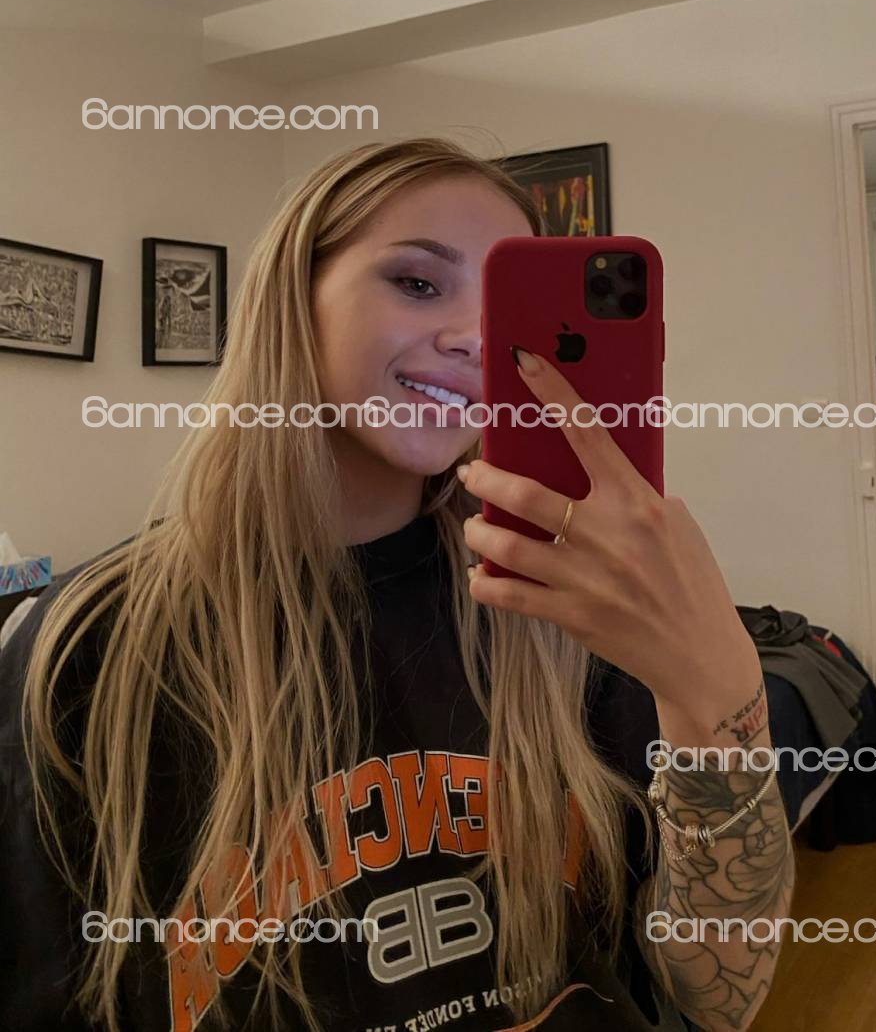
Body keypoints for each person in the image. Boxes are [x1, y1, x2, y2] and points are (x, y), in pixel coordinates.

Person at [0, 138, 793, 1032]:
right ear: (291, 297)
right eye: (418, 283)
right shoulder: (87, 647)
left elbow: (716, 997)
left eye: (505, 308)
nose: (475, 338)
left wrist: (719, 691)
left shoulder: (557, 611)